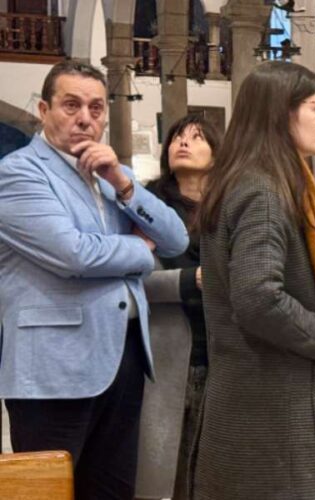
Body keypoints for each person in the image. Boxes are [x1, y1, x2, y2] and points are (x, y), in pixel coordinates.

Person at [0, 60, 189, 498]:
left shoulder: (106, 173)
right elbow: (73, 254)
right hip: (54, 370)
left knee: (112, 490)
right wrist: (139, 252)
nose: (86, 117)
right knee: (51, 491)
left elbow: (176, 237)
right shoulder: (19, 173)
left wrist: (122, 182)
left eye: (96, 107)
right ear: (44, 110)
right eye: (71, 105)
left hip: (121, 359)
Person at [194, 61, 315, 499]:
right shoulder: (265, 192)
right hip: (276, 415)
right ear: (281, 113)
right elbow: (258, 296)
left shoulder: (246, 182)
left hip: (250, 406)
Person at [134, 113, 220, 500]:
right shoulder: (145, 206)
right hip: (167, 352)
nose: (183, 143)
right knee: (161, 476)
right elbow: (131, 278)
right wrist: (190, 280)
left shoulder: (230, 208)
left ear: (218, 153)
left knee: (211, 473)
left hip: (221, 353)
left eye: (197, 137)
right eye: (176, 138)